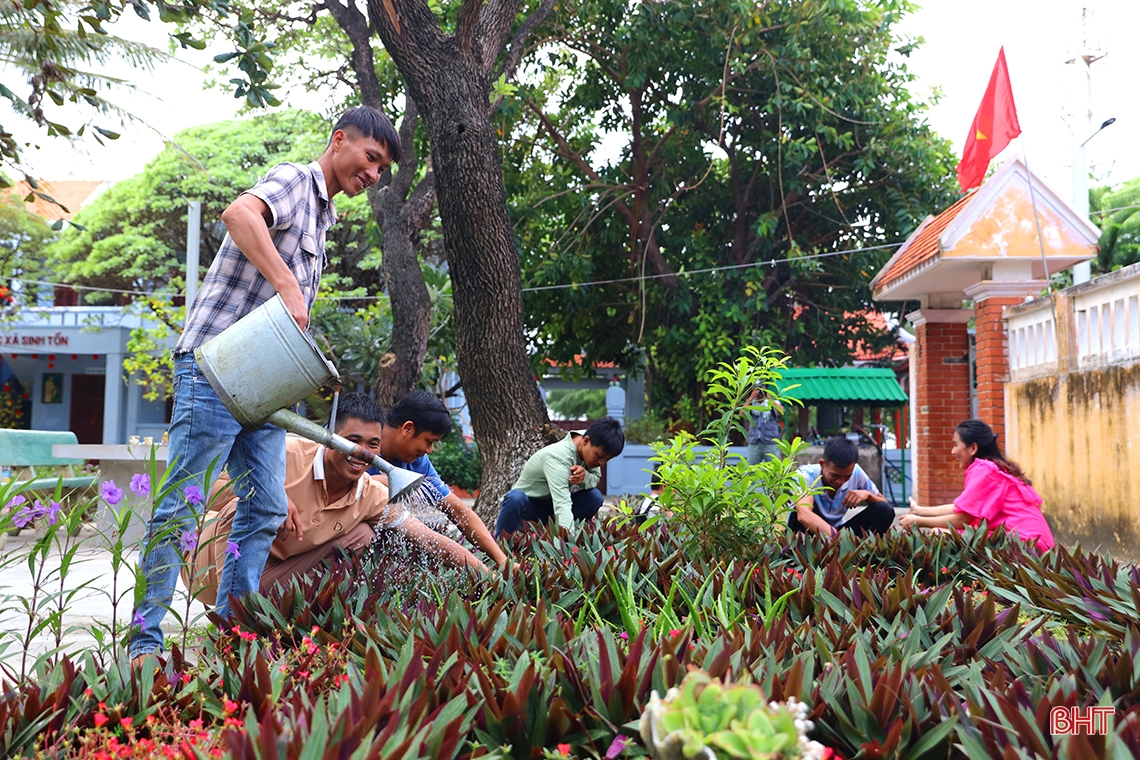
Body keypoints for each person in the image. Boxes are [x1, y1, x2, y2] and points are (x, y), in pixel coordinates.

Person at [130, 106, 401, 663]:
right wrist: (287, 285)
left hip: (264, 388)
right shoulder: (297, 180)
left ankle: (233, 633)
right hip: (215, 370)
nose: (374, 175)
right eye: (371, 158)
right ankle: (144, 644)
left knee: (268, 508)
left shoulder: (324, 218)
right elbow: (238, 213)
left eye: (381, 169)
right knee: (181, 506)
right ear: (339, 140)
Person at [181, 393, 483, 605]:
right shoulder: (284, 454)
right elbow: (202, 492)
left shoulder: (370, 492)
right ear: (329, 437)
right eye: (352, 441)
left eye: (373, 444)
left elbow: (430, 540)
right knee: (248, 503)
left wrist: (490, 575)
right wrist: (271, 494)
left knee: (362, 535)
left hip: (271, 573)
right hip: (206, 570)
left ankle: (281, 616)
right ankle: (233, 611)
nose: (362, 452)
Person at [373, 391, 510, 571]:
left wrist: (502, 561)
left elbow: (459, 512)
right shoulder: (357, 447)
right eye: (428, 441)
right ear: (407, 428)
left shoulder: (418, 463)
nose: (429, 450)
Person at [899, 419, 1055, 551]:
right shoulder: (993, 468)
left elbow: (963, 519)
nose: (952, 451)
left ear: (973, 448)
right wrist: (920, 511)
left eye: (955, 445)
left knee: (939, 533)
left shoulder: (984, 470)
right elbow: (962, 508)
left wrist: (919, 521)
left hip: (1026, 544)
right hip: (1035, 543)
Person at [494, 417, 625, 537]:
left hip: (551, 507)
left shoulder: (593, 441)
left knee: (594, 497)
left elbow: (595, 477)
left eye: (607, 459)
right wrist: (568, 544)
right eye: (600, 456)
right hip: (529, 509)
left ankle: (552, 535)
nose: (601, 463)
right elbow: (562, 503)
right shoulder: (558, 457)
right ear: (585, 441)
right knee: (515, 497)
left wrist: (585, 477)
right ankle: (501, 544)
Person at [790, 436, 894, 537]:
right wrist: (840, 541)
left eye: (847, 476)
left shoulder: (857, 473)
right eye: (835, 475)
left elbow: (884, 504)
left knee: (885, 510)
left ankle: (864, 548)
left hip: (837, 531)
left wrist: (868, 496)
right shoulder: (804, 475)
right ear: (822, 464)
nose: (841, 482)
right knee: (800, 509)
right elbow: (804, 515)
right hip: (807, 535)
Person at [745, 387, 784, 464]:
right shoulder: (751, 403)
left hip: (770, 441)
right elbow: (741, 414)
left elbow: (781, 411)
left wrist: (769, 398)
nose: (760, 393)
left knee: (775, 467)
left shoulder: (772, 403)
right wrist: (751, 397)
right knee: (751, 469)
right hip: (754, 441)